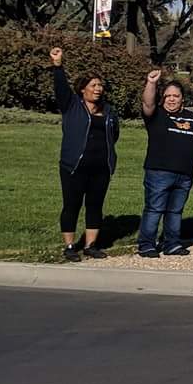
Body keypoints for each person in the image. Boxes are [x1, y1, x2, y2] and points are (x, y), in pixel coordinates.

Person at [49, 46, 119, 261]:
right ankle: (70, 246)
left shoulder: (108, 111)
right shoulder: (72, 106)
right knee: (72, 204)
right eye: (93, 85)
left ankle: (90, 245)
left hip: (101, 167)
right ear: (83, 89)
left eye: (100, 85)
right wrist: (57, 65)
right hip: (74, 166)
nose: (98, 89)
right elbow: (61, 88)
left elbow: (114, 134)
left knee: (95, 205)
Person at [137, 67, 193, 258]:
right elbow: (147, 102)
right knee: (154, 209)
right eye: (168, 96)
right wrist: (151, 82)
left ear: (182, 98)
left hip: (184, 174)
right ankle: (146, 244)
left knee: (175, 211)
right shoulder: (155, 115)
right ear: (163, 98)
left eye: (176, 96)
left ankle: (172, 244)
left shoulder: (192, 118)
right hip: (159, 172)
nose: (172, 99)